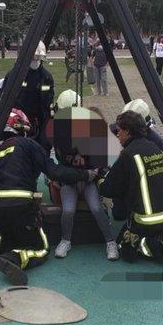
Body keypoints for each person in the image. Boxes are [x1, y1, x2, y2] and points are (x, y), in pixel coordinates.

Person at [0, 108, 96, 285]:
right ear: (23, 127)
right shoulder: (29, 145)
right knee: (41, 247)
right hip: (22, 206)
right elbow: (54, 171)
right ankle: (14, 259)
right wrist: (84, 175)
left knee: (7, 236)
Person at [97, 111, 163, 269]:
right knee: (160, 225)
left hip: (150, 220)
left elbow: (109, 189)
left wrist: (100, 178)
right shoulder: (154, 148)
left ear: (128, 131)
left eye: (119, 131)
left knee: (126, 250)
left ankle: (161, 243)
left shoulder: (128, 154)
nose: (117, 135)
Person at [51, 94, 118, 261]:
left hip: (88, 181)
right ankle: (66, 240)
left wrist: (95, 172)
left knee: (96, 208)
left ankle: (110, 242)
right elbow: (60, 163)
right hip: (70, 180)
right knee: (68, 210)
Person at [3, 41, 55, 149]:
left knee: (42, 149)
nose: (35, 61)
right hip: (19, 121)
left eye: (38, 58)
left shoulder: (46, 77)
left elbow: (49, 99)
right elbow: (5, 98)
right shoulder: (15, 75)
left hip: (40, 121)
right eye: (33, 58)